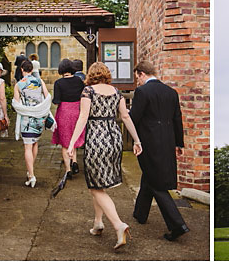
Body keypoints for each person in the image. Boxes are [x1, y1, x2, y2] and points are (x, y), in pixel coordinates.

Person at [67, 61, 142, 250]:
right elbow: (125, 117)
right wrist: (137, 140)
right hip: (114, 139)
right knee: (99, 184)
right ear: (107, 75)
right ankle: (98, 223)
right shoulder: (116, 92)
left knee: (95, 187)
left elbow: (83, 118)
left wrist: (72, 143)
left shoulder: (88, 92)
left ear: (91, 76)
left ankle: (118, 225)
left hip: (96, 140)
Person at [130, 60, 188, 242]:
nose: (137, 81)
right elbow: (177, 119)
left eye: (137, 77)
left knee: (156, 184)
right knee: (149, 175)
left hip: (149, 141)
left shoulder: (142, 91)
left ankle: (177, 224)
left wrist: (135, 139)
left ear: (141, 73)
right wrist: (179, 143)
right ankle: (140, 213)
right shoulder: (171, 92)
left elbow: (134, 118)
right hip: (167, 141)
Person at [12, 54, 51, 189]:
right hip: (39, 118)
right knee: (35, 144)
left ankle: (32, 175)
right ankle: (30, 172)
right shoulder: (40, 82)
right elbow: (47, 97)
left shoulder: (19, 85)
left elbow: (16, 104)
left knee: (28, 146)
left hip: (27, 119)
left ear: (22, 69)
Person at [53, 57, 86, 179]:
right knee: (74, 138)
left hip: (64, 112)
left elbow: (56, 101)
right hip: (77, 112)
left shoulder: (58, 83)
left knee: (65, 142)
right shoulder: (79, 81)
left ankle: (68, 170)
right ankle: (75, 162)